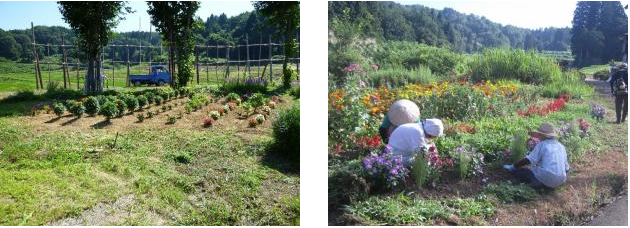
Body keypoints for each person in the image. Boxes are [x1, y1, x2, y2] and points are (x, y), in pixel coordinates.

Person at [503, 122, 569, 189]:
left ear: (542, 135)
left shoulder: (542, 144)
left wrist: (513, 166)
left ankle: (537, 183)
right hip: (561, 180)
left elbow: (529, 160)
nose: (538, 137)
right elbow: (566, 168)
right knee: (538, 170)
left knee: (521, 172)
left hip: (546, 175)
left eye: (539, 135)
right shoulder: (561, 146)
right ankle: (549, 185)